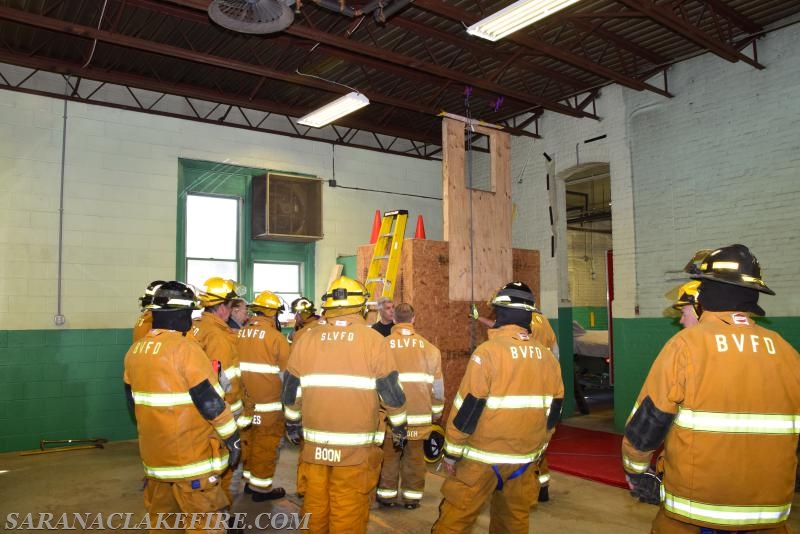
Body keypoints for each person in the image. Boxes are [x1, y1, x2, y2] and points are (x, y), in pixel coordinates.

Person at [622, 244, 800, 533]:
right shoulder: (787, 352)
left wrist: (636, 472)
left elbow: (647, 424)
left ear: (708, 294)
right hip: (767, 514)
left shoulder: (686, 347)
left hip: (693, 510)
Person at [432, 282, 564, 534]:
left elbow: (468, 407)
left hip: (481, 460)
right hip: (523, 461)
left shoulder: (488, 353)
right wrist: (538, 447)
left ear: (499, 313)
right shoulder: (548, 358)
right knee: (513, 522)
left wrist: (452, 451)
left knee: (455, 520)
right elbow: (553, 412)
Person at [281, 276, 407, 533]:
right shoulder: (373, 341)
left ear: (327, 307)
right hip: (355, 451)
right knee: (348, 511)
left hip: (315, 447)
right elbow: (392, 395)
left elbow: (290, 391)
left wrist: (293, 424)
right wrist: (400, 427)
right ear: (361, 306)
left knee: (315, 507)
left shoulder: (305, 339)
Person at [123, 282, 241, 533]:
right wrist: (232, 437)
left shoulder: (135, 351)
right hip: (191, 461)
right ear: (181, 314)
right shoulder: (186, 349)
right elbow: (211, 403)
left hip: (155, 460)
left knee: (164, 521)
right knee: (204, 523)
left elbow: (132, 403)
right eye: (190, 313)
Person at [472, 296, 560, 502]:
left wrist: (479, 318)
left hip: (521, 379)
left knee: (515, 439)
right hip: (542, 384)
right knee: (538, 438)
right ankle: (543, 487)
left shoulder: (520, 323)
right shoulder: (545, 322)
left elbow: (500, 328)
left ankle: (509, 485)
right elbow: (555, 354)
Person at [376, 303, 444, 509]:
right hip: (419, 417)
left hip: (389, 416)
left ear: (394, 320)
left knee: (389, 457)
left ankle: (387, 497)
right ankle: (411, 499)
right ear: (413, 319)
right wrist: (436, 412)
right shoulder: (431, 349)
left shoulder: (381, 346)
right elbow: (438, 389)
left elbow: (375, 384)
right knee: (415, 460)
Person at [191, 277, 246, 503]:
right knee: (223, 465)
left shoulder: (196, 327)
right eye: (231, 306)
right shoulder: (218, 336)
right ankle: (222, 514)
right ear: (222, 308)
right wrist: (232, 418)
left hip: (199, 411)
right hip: (221, 411)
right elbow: (224, 382)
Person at [236, 290, 290, 502]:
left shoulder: (237, 334)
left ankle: (250, 481)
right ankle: (260, 489)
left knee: (248, 443)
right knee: (266, 446)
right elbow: (287, 377)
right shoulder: (276, 338)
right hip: (268, 407)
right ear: (273, 313)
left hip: (244, 406)